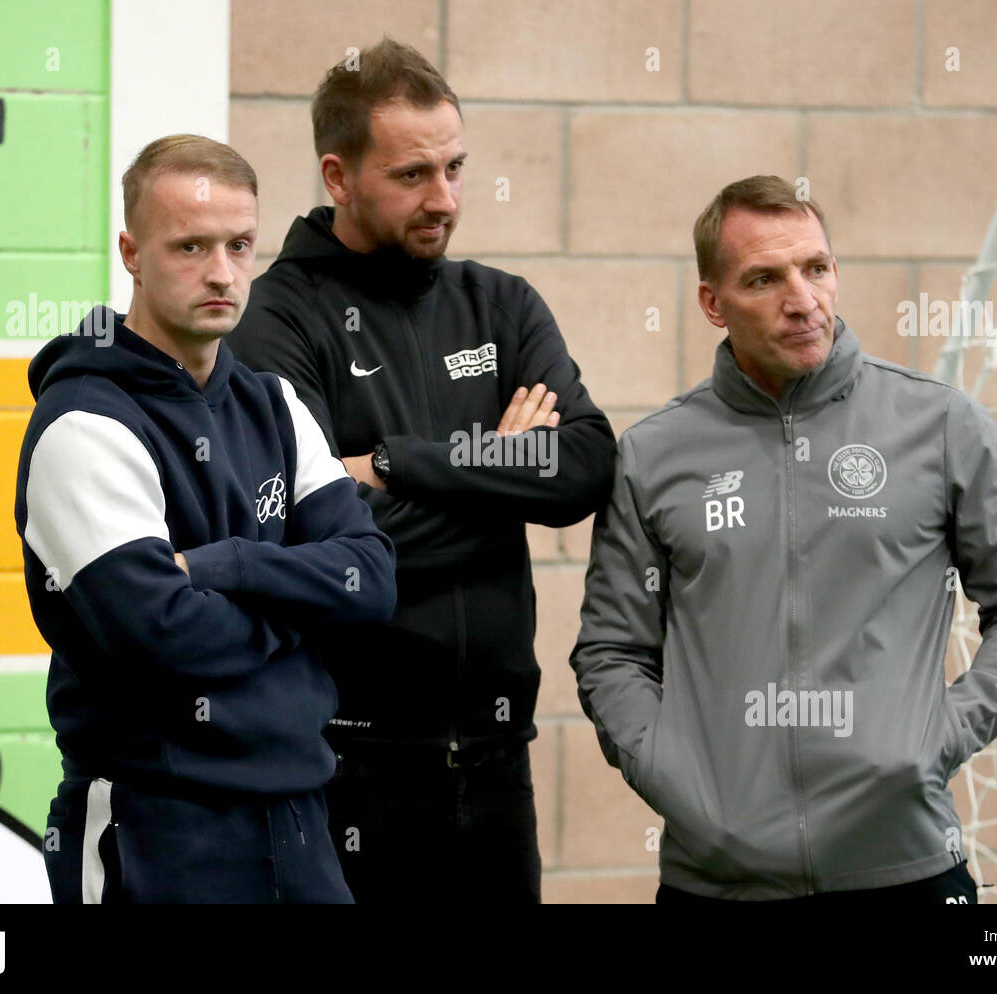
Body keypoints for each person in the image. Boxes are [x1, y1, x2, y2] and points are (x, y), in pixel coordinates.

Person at [570, 175, 997, 903]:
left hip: (907, 865)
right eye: (764, 279)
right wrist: (677, 776)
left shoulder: (939, 426)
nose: (802, 300)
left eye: (816, 268)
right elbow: (611, 650)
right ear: (714, 303)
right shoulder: (655, 454)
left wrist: (936, 738)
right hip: (717, 881)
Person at [226, 38, 616, 903]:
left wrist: (401, 465)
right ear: (338, 175)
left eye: (456, 168)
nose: (444, 199)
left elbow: (586, 466)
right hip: (348, 770)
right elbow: (315, 540)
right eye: (412, 176)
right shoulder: (275, 324)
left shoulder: (500, 302)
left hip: (495, 763)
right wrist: (500, 469)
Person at [15, 134, 396, 904]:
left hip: (298, 822)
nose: (221, 273)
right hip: (155, 829)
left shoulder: (276, 406)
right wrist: (304, 611)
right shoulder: (84, 424)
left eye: (239, 245)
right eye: (190, 246)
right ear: (130, 251)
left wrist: (232, 566)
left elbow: (373, 581)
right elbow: (164, 636)